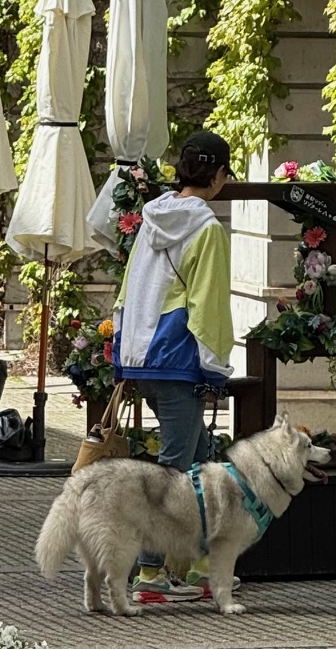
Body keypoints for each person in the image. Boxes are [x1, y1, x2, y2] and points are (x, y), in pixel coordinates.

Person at [112, 130, 236, 603]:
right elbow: (208, 306)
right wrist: (215, 370)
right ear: (217, 174)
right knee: (174, 472)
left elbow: (128, 290)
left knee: (205, 461)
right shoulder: (207, 230)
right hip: (180, 359)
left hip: (143, 356)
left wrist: (124, 353)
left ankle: (204, 566)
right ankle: (148, 572)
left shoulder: (150, 219)